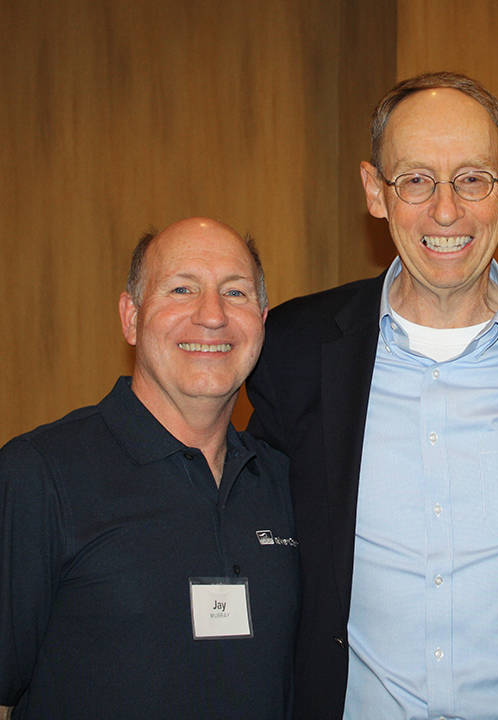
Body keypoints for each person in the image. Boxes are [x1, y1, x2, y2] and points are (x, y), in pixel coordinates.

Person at [246, 72, 498, 720]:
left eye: (470, 179)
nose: (445, 210)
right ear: (375, 192)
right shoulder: (291, 349)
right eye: (415, 180)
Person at [0, 218, 299, 719]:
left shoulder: (285, 482)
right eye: (182, 288)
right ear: (131, 317)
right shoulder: (41, 474)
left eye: (236, 292)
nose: (212, 315)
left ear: (262, 321)